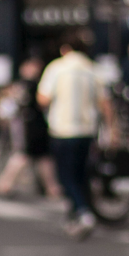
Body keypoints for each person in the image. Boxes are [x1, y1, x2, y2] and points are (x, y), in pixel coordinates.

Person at [37, 39, 114, 240]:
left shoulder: (57, 68)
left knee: (66, 176)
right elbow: (105, 103)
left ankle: (83, 212)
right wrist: (112, 130)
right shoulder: (93, 70)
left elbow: (42, 98)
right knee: (81, 174)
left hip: (62, 129)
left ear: (65, 49)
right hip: (86, 130)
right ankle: (75, 215)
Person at [0, 56, 62, 199]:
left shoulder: (24, 85)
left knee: (40, 157)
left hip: (30, 124)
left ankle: (51, 187)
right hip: (32, 125)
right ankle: (5, 184)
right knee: (30, 156)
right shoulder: (33, 85)